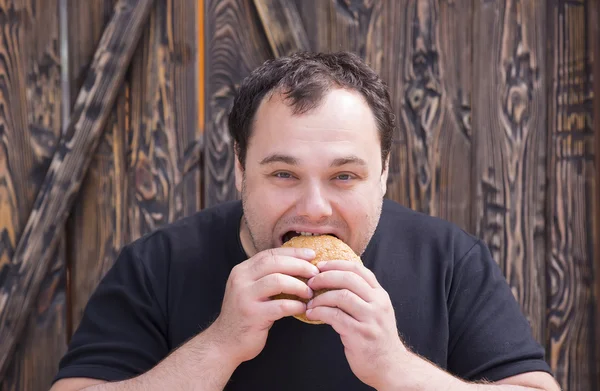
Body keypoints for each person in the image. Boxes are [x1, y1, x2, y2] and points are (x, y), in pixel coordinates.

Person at [51, 51, 560, 391]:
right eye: (283, 174)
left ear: (383, 174)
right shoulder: (159, 262)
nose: (314, 208)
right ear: (239, 169)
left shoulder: (448, 260)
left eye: (343, 176)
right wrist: (220, 344)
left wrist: (393, 365)